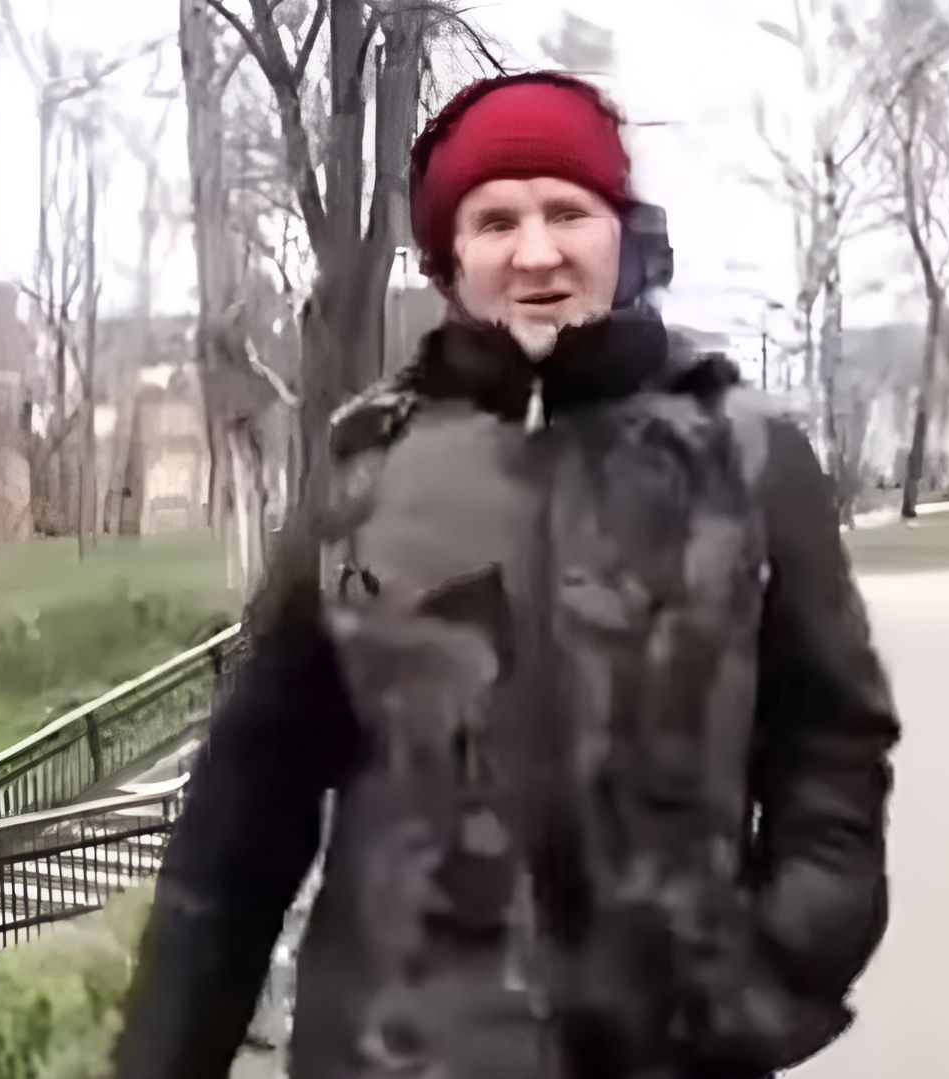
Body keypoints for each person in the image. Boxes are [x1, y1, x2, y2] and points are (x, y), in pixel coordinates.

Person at [112, 70, 900, 1079]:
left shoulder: (745, 455)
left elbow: (832, 744)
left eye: (567, 211)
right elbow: (246, 804)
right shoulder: (365, 471)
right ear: (451, 261)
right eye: (496, 222)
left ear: (619, 234)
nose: (537, 253)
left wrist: (782, 962)